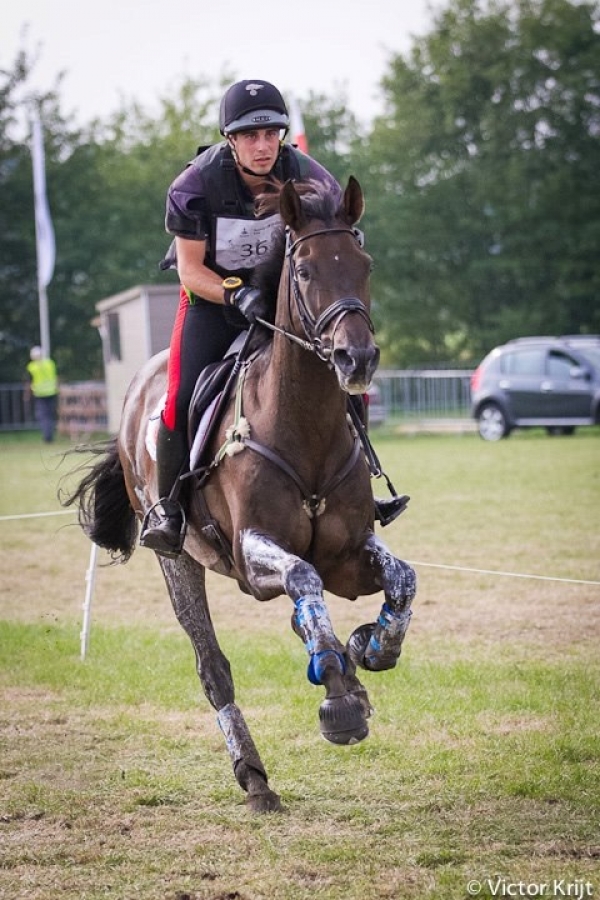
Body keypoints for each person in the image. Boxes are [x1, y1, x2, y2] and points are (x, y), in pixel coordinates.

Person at [140, 79, 407, 556]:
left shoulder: (310, 175)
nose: (263, 146)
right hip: (212, 300)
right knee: (180, 395)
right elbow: (189, 270)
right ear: (230, 139)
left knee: (345, 382)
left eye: (271, 134)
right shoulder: (195, 185)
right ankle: (169, 508)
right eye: (250, 136)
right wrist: (236, 294)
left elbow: (334, 242)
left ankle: (363, 491)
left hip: (286, 302)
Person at [26, 346, 59, 443]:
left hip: (40, 394)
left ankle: (47, 436)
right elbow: (56, 377)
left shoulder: (31, 366)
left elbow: (29, 381)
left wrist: (27, 394)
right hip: (52, 392)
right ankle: (50, 435)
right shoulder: (50, 363)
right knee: (50, 415)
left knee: (43, 416)